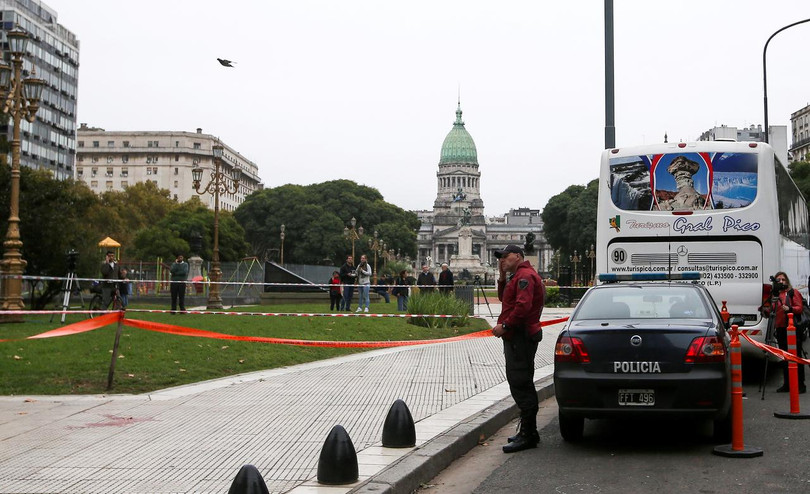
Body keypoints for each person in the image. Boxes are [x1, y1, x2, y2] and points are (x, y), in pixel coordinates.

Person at [491, 244, 545, 453]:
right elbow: (505, 299)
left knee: (520, 382)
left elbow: (522, 307)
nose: (502, 260)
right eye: (500, 257)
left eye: (505, 256)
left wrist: (505, 326)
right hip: (517, 336)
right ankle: (528, 430)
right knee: (520, 380)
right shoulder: (518, 276)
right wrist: (502, 276)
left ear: (518, 256)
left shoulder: (525, 277)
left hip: (520, 336)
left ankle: (528, 434)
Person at [762, 272, 806, 393]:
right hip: (780, 328)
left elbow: (799, 308)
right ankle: (787, 384)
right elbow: (772, 310)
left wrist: (790, 309)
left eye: (783, 279)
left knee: (796, 357)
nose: (781, 282)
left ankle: (800, 384)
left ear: (787, 281)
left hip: (792, 328)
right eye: (778, 280)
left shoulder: (792, 292)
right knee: (785, 357)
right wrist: (765, 310)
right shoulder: (775, 295)